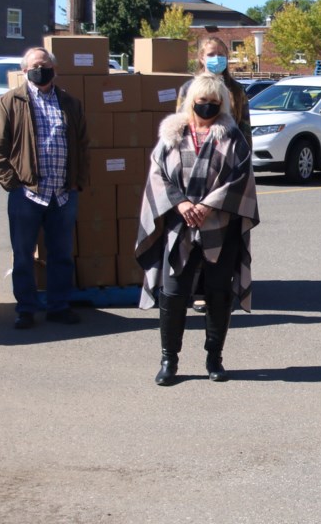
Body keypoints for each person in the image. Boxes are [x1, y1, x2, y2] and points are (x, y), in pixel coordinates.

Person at [135, 73, 259, 385]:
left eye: (213, 103)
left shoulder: (232, 138)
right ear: (191, 102)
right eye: (201, 102)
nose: (206, 108)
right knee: (173, 293)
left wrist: (207, 205)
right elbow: (157, 176)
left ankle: (214, 357)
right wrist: (180, 203)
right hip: (179, 227)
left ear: (223, 104)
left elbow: (241, 178)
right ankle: (169, 359)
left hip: (220, 226)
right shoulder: (171, 136)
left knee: (218, 293)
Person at [0, 47, 90, 330]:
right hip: (27, 193)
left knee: (60, 254)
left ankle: (58, 306)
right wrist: (13, 185)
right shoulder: (11, 101)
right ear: (24, 71)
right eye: (34, 65)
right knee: (23, 255)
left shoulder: (70, 102)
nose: (40, 70)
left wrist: (77, 182)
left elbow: (82, 145)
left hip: (62, 193)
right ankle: (26, 309)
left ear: (54, 69)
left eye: (44, 65)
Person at [179, 36, 253, 314]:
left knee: (226, 232)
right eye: (212, 53)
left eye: (222, 53)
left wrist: (245, 168)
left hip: (228, 169)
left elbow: (245, 129)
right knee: (196, 233)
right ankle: (196, 289)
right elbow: (180, 126)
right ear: (200, 57)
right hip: (195, 169)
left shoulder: (235, 90)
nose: (218, 58)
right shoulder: (189, 88)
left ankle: (223, 286)